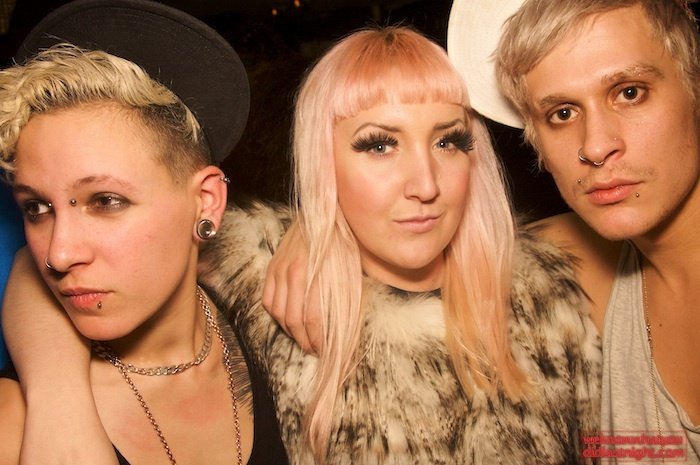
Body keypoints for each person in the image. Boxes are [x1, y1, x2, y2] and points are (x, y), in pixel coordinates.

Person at [3, 25, 600, 464]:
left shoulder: (556, 299)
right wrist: (58, 395)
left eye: (448, 141)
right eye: (379, 145)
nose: (424, 184)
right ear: (321, 162)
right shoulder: (261, 289)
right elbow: (54, 267)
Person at [265, 0, 700, 462]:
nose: (595, 146)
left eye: (630, 92)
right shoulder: (576, 267)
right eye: (562, 113)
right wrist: (316, 230)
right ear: (535, 138)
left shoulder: (585, 268)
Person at [0, 1, 288, 464]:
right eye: (37, 208)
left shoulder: (291, 346)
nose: (59, 253)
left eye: (106, 201)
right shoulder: (14, 425)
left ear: (206, 201)